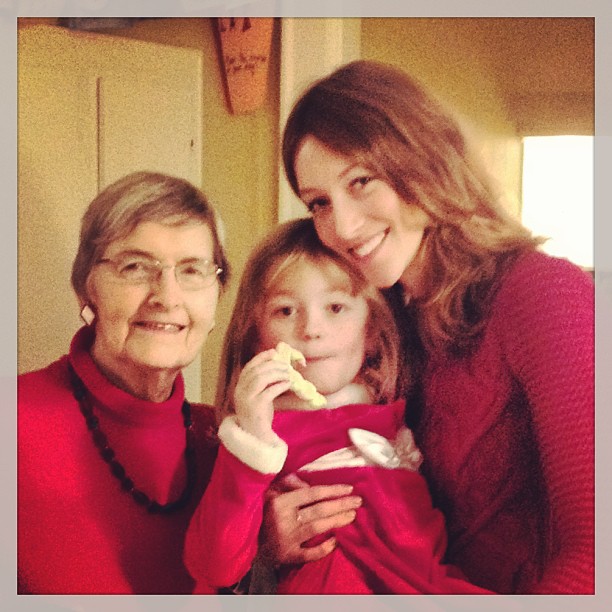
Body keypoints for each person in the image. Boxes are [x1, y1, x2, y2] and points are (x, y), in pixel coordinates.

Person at [267, 59, 595, 594]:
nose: (343, 227)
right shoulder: (376, 323)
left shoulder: (544, 295)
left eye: (361, 181)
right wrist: (279, 535)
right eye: (319, 203)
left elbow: (597, 551)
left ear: (424, 162)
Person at [184, 217, 491, 594]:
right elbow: (212, 566)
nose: (311, 329)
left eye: (335, 307)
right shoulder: (260, 436)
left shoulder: (397, 415)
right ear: (254, 337)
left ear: (373, 331)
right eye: (285, 311)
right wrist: (250, 443)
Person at [18, 171, 230, 594]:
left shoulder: (225, 441)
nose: (166, 297)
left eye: (192, 270)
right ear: (86, 288)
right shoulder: (15, 421)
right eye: (135, 266)